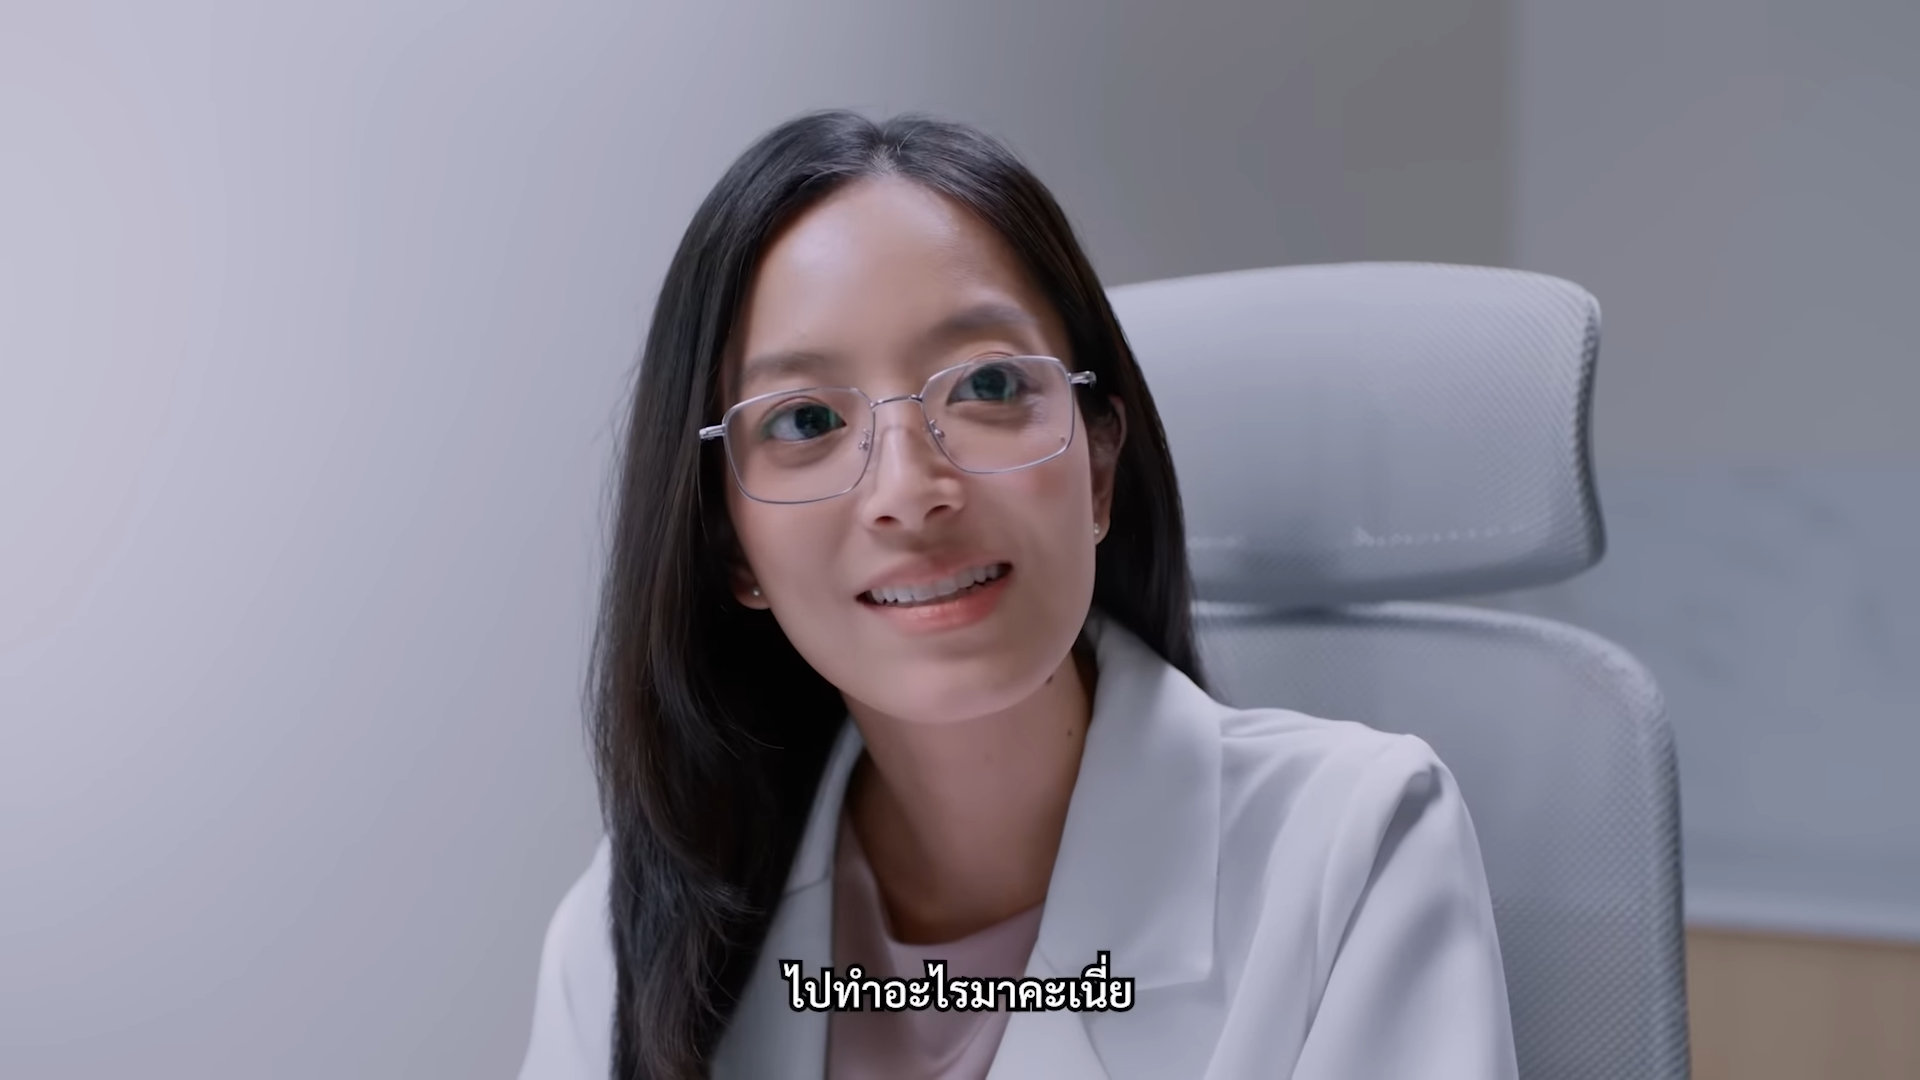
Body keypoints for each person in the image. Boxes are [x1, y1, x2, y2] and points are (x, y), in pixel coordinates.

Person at [516, 110, 1518, 1080]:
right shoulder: (635, 933)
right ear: (729, 546)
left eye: (987, 387)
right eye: (807, 419)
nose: (910, 491)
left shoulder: (1352, 847)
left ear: (1098, 467)